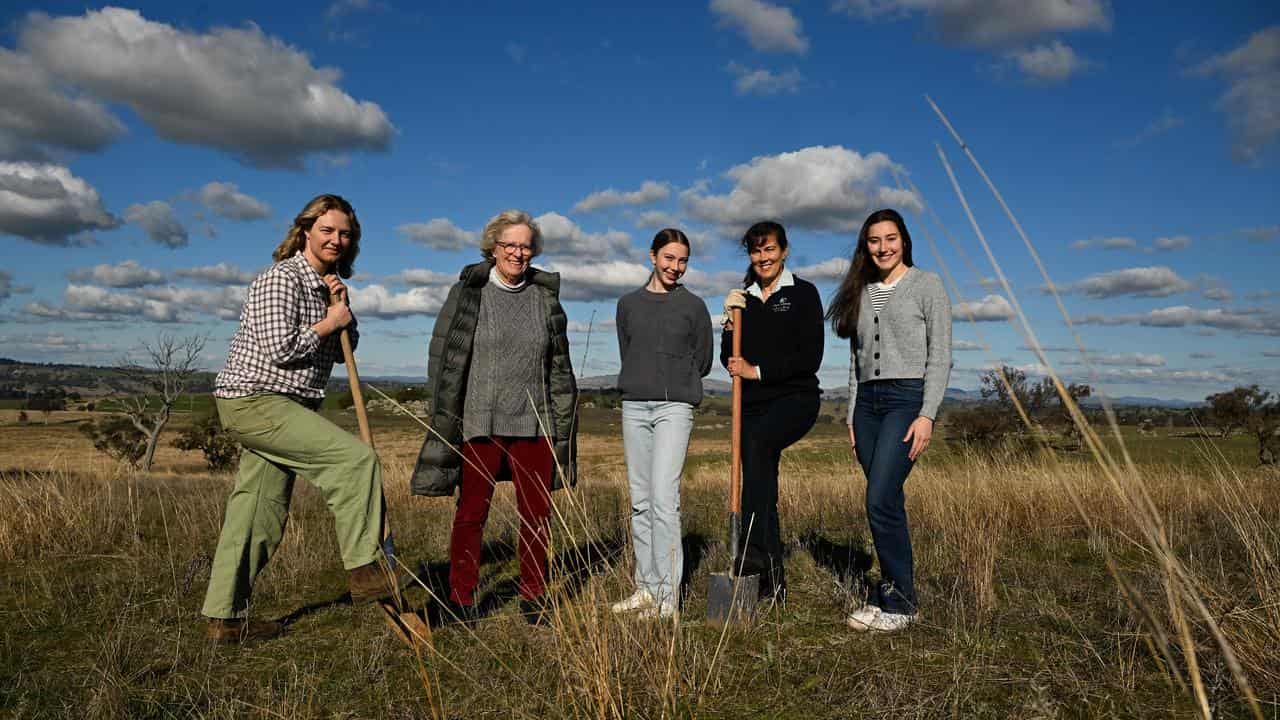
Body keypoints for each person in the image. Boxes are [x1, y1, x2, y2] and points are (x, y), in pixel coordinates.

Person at [203, 194, 405, 644]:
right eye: (328, 230)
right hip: (257, 401)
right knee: (355, 462)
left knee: (258, 513)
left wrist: (342, 318)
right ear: (306, 230)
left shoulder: (325, 287)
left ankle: (226, 619)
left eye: (346, 233)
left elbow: (337, 353)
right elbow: (281, 349)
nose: (337, 239)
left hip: (286, 408)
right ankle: (366, 571)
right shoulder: (281, 278)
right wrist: (330, 323)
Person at [410, 210, 578, 626]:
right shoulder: (468, 294)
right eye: (510, 246)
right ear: (493, 248)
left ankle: (534, 596)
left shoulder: (545, 300)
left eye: (525, 246)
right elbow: (443, 360)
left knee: (536, 515)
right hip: (478, 420)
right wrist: (445, 412)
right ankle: (461, 597)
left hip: (533, 422)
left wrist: (561, 423)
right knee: (470, 515)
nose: (518, 254)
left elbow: (560, 369)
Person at [827, 208, 952, 633]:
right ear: (866, 246)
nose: (883, 247)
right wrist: (850, 415)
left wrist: (927, 414)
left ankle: (901, 605)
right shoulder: (860, 291)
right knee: (887, 498)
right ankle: (894, 594)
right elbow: (855, 358)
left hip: (906, 399)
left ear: (904, 241)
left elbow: (940, 354)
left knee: (879, 498)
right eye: (875, 240)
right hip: (867, 406)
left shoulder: (927, 285)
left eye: (891, 238)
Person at [610, 229, 714, 620]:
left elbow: (703, 360)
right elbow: (629, 351)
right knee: (640, 501)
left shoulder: (694, 306)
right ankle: (646, 588)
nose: (675, 266)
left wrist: (673, 381)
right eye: (669, 258)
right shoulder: (627, 304)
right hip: (634, 406)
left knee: (663, 501)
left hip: (675, 407)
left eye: (682, 260)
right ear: (652, 256)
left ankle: (668, 597)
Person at [720, 220, 824, 602]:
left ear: (784, 251)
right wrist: (730, 325)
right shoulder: (742, 300)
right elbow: (728, 359)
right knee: (759, 486)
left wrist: (756, 371)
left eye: (769, 250)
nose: (762, 257)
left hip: (795, 400)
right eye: (755, 251)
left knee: (760, 453)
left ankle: (756, 567)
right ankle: (769, 581)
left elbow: (810, 357)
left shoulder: (804, 294)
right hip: (751, 406)